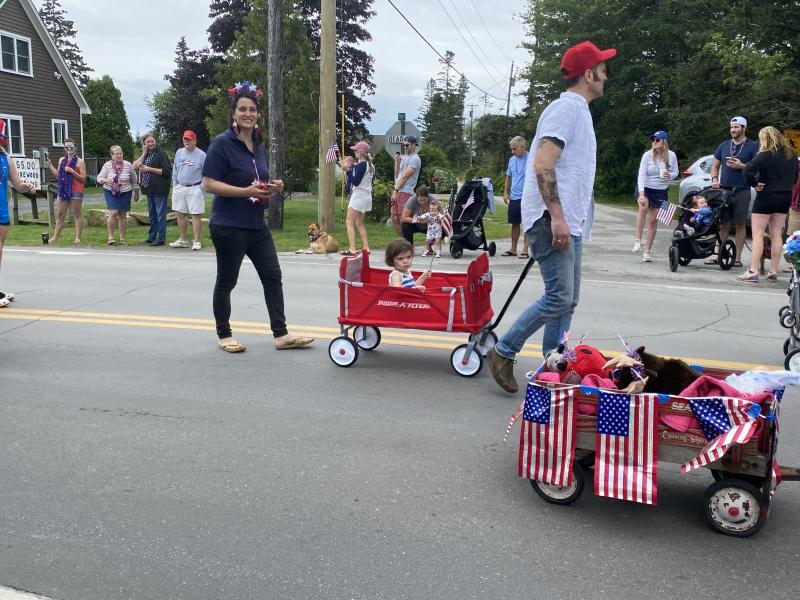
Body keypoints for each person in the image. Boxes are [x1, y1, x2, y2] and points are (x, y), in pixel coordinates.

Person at [487, 40, 616, 394]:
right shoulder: (566, 110)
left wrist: (567, 218)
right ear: (588, 74)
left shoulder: (580, 111)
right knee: (559, 296)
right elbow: (543, 163)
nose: (607, 75)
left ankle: (552, 363)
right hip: (551, 218)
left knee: (568, 298)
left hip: (566, 219)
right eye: (603, 70)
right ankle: (503, 351)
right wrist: (556, 216)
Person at [202, 80, 313, 353]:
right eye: (242, 109)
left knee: (273, 276)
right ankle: (224, 334)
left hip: (255, 224)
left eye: (252, 109)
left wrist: (272, 186)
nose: (248, 114)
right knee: (227, 280)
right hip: (229, 225)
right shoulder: (222, 144)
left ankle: (281, 334)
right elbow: (209, 184)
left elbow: (256, 180)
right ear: (234, 113)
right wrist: (245, 191)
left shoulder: (258, 143)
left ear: (258, 114)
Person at [739, 126, 798, 283]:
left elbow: (747, 170)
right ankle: (773, 272)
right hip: (784, 196)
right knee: (777, 235)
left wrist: (755, 183)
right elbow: (795, 176)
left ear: (765, 139)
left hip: (766, 196)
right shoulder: (791, 154)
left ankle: (753, 271)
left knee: (758, 234)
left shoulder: (764, 155)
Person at [707, 116, 759, 267]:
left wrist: (742, 166)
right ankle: (721, 255)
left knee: (740, 224)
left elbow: (757, 168)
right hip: (724, 190)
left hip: (742, 190)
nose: (733, 130)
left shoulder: (753, 146)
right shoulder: (724, 145)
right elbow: (715, 165)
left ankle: (737, 258)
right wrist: (715, 179)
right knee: (723, 224)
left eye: (736, 127)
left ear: (744, 128)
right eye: (731, 127)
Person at [0, 120, 36, 307]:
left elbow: (16, 183)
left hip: (2, 209)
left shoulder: (6, 158)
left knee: (0, 250)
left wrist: (26, 187)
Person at [633, 130, 678, 261]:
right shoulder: (647, 155)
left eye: (657, 140)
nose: (654, 142)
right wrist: (641, 194)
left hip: (661, 190)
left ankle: (647, 251)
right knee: (643, 206)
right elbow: (641, 175)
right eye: (653, 140)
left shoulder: (672, 155)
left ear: (664, 142)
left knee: (654, 220)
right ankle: (637, 239)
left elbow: (675, 172)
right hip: (645, 187)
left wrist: (669, 175)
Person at [169, 130, 207, 251]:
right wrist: (175, 185)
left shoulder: (202, 155)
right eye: (185, 139)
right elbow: (175, 169)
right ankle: (183, 240)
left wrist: (201, 188)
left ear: (195, 141)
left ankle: (196, 241)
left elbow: (206, 174)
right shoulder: (179, 152)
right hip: (180, 187)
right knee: (180, 214)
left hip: (195, 187)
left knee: (196, 215)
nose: (186, 141)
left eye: (189, 139)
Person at [133, 132, 172, 247]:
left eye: (152, 141)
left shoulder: (161, 154)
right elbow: (134, 167)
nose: (150, 143)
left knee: (160, 215)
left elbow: (166, 172)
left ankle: (160, 238)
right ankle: (151, 237)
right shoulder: (146, 155)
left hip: (160, 189)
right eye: (147, 142)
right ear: (144, 144)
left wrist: (149, 168)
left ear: (156, 141)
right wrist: (143, 153)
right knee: (152, 215)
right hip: (149, 189)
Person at [45, 138, 85, 244]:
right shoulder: (62, 160)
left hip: (76, 190)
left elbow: (83, 178)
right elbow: (58, 175)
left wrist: (72, 171)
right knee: (60, 214)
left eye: (71, 146)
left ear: (75, 147)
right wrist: (49, 165)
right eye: (67, 147)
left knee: (77, 214)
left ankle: (77, 238)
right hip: (63, 190)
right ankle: (56, 237)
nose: (69, 149)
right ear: (64, 148)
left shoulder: (80, 162)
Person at [96, 145, 137, 245]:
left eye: (120, 153)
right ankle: (111, 237)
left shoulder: (128, 165)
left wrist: (136, 192)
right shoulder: (107, 165)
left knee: (123, 215)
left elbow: (134, 179)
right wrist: (106, 180)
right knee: (113, 213)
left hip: (125, 192)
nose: (119, 155)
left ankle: (122, 238)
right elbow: (99, 178)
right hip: (111, 192)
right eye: (116, 154)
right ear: (112, 155)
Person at [340, 140, 373, 256]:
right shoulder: (369, 164)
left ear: (361, 152)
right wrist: (349, 163)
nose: (354, 152)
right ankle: (366, 247)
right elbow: (357, 170)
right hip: (367, 196)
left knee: (349, 221)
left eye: (355, 150)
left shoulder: (362, 164)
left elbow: (356, 181)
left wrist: (347, 171)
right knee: (359, 223)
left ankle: (352, 249)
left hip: (359, 196)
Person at [502, 136, 530, 258]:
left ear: (522, 147)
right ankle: (513, 249)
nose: (512, 152)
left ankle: (525, 249)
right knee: (515, 223)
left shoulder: (531, 158)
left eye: (514, 149)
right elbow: (508, 177)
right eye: (511, 149)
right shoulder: (512, 160)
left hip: (528, 196)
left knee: (528, 223)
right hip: (514, 197)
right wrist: (505, 192)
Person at [391, 135, 421, 236]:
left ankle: (406, 243)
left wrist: (395, 190)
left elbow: (405, 177)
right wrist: (397, 162)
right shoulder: (404, 157)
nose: (405, 147)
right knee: (394, 217)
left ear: (413, 145)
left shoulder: (415, 159)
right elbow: (397, 174)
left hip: (406, 191)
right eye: (404, 145)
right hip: (398, 189)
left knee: (402, 217)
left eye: (407, 145)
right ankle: (401, 240)